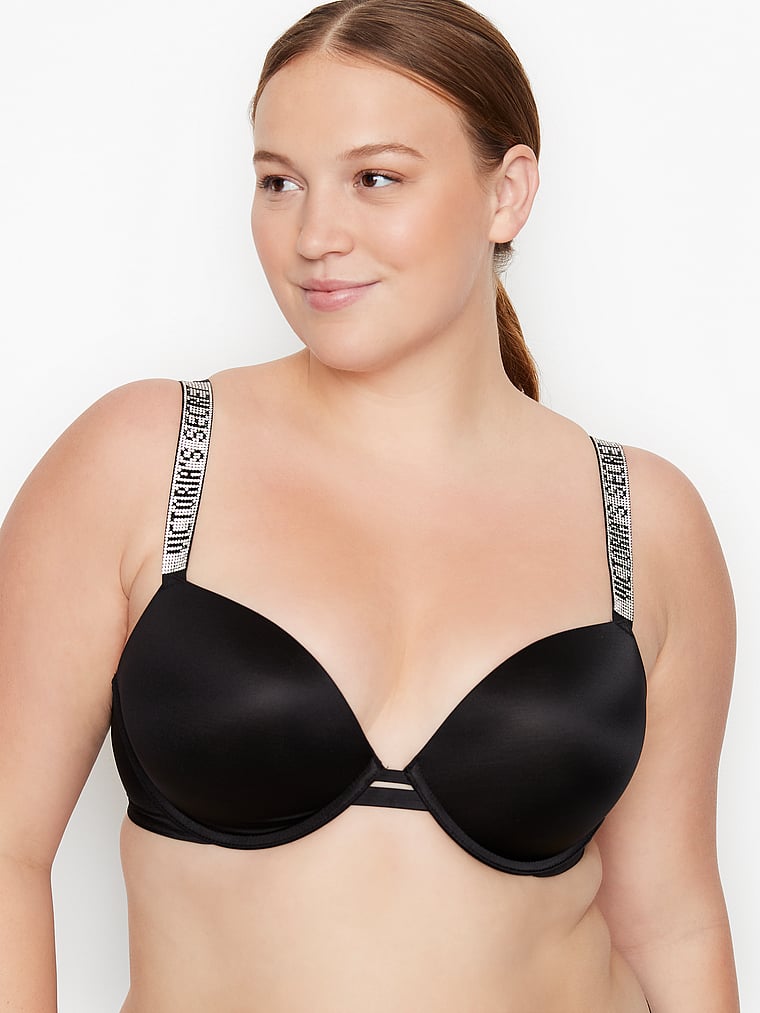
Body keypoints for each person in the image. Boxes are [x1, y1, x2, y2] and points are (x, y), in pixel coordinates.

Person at [0, 0, 740, 1009]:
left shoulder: (641, 521)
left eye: (375, 178)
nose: (315, 235)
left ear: (507, 193)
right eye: (279, 182)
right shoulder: (149, 460)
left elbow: (672, 920)